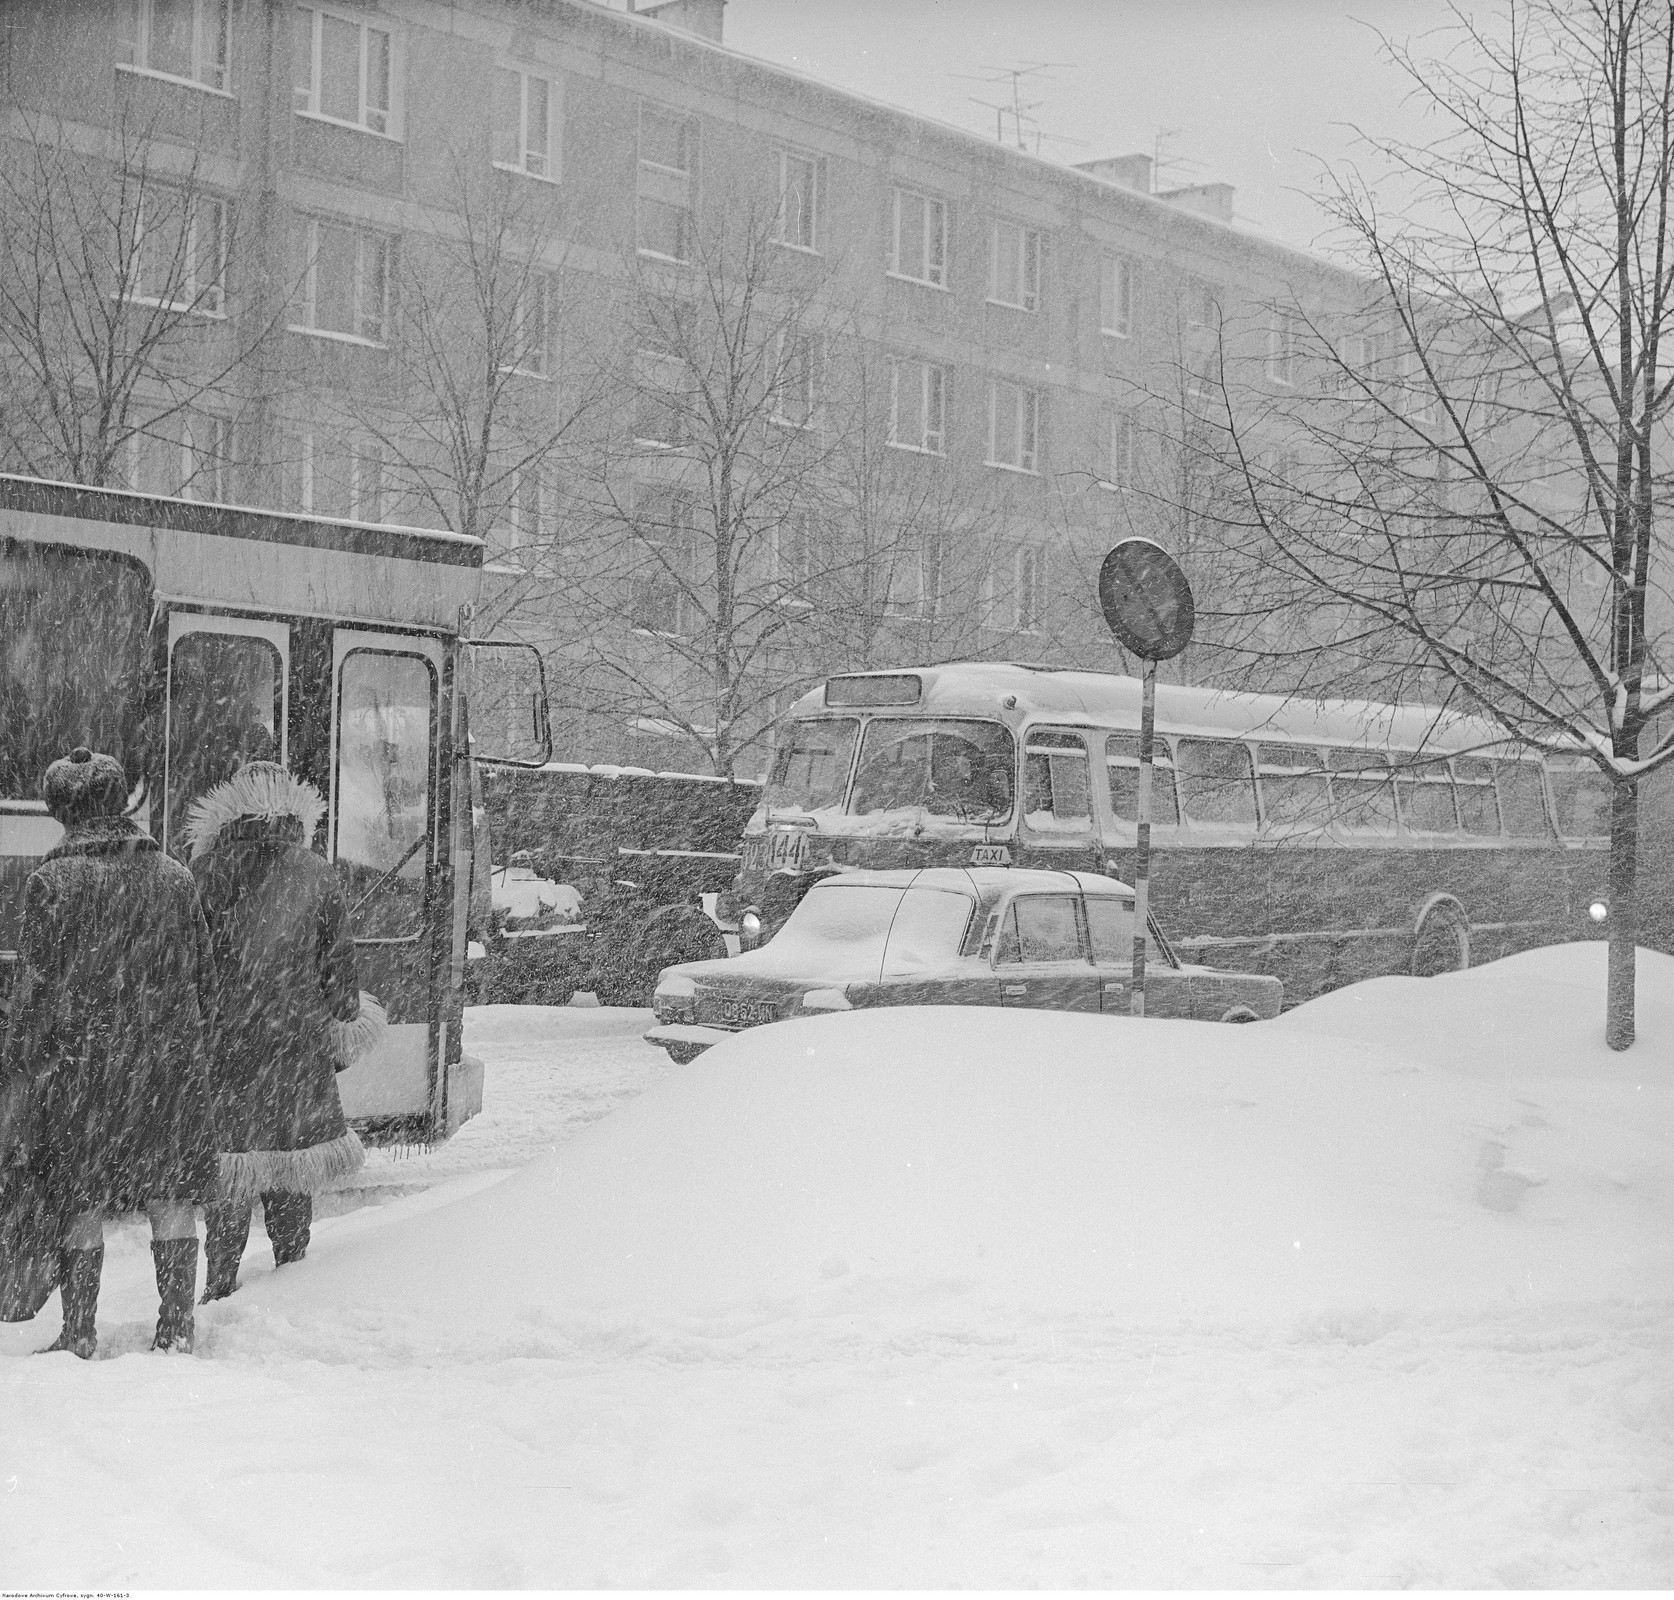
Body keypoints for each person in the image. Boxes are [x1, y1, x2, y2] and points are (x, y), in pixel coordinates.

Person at [0, 748, 221, 1358]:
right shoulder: (174, 877)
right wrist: (179, 1043)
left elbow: (35, 994)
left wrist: (19, 1065)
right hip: (167, 1068)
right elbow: (206, 983)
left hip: (84, 1072)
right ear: (121, 802)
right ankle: (176, 1328)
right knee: (170, 1195)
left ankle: (79, 1332)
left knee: (80, 1200)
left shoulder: (52, 884)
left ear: (61, 810)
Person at [185, 759, 370, 1301]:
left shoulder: (202, 873)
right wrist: (336, 1045)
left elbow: (186, 967)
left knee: (232, 1170)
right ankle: (292, 1275)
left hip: (225, 1049)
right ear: (294, 811)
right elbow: (340, 974)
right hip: (296, 1048)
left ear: (229, 807)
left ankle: (219, 1282)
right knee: (292, 1169)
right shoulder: (317, 873)